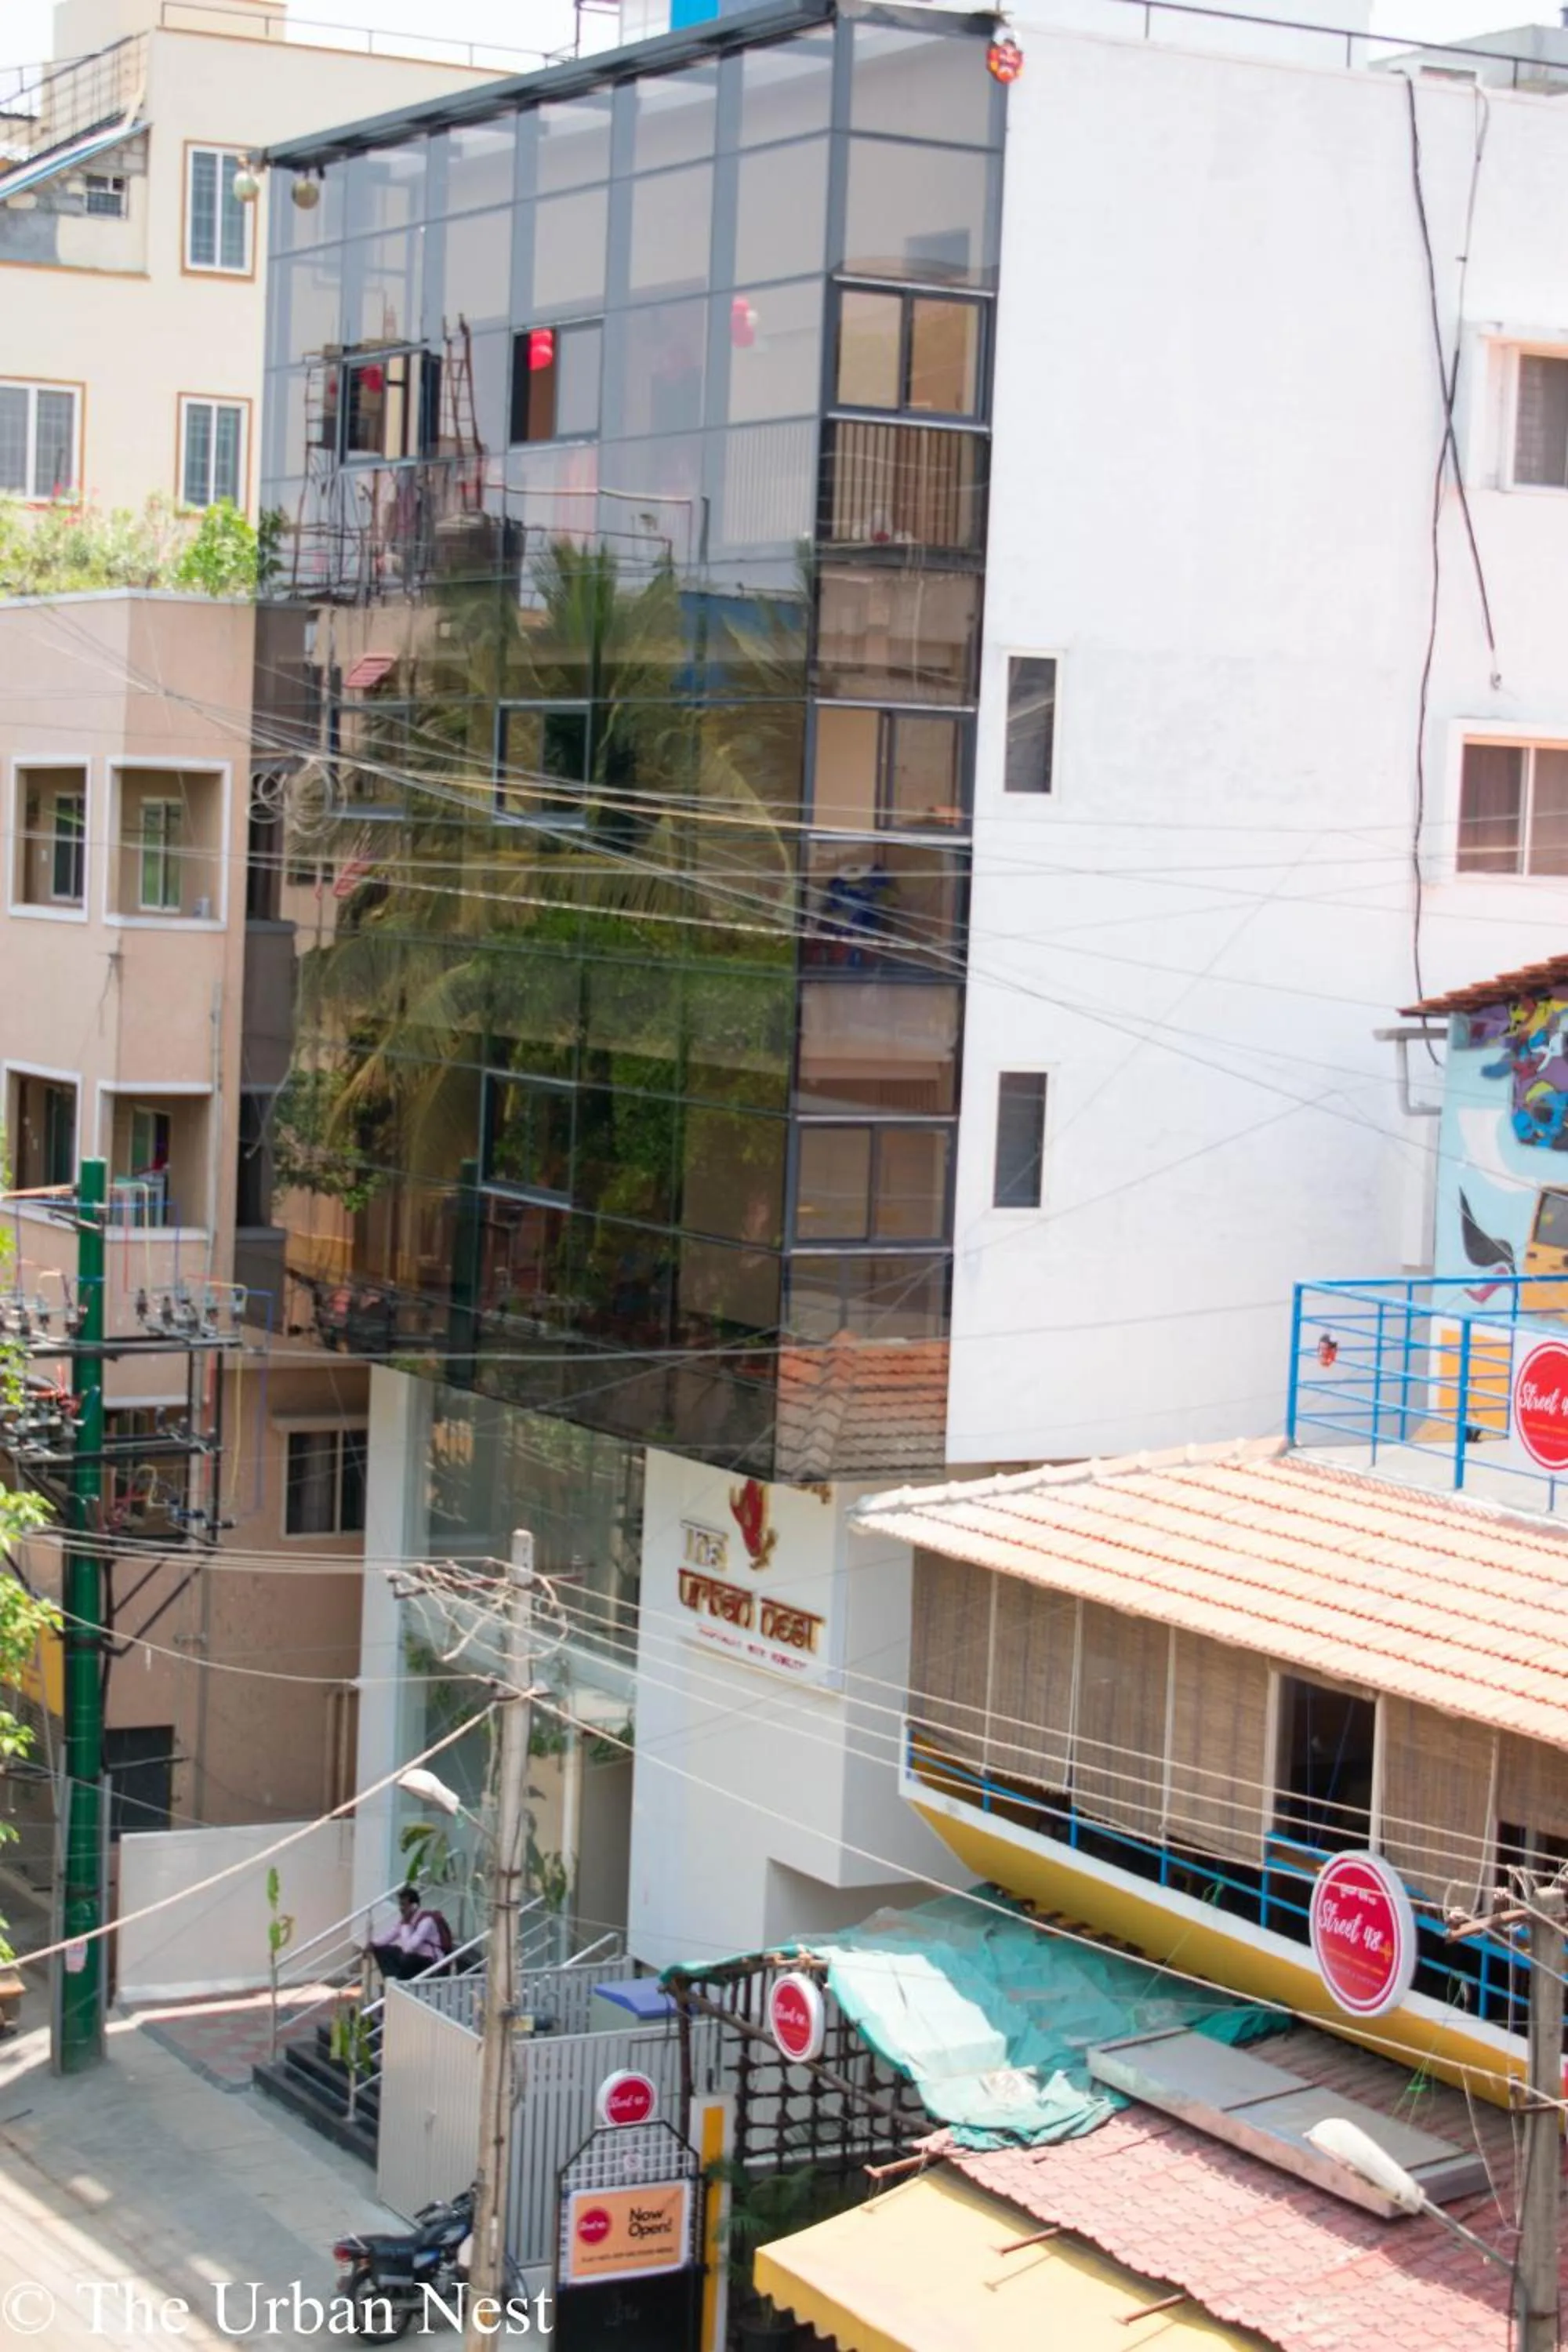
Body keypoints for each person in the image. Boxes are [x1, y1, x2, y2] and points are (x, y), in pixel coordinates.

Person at [368, 1886, 445, 1984]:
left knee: (405, 1958)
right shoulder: (408, 1920)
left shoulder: (426, 1921)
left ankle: (398, 1983)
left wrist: (405, 1923)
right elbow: (391, 1935)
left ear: (414, 1906)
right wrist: (373, 1943)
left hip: (429, 1960)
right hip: (414, 1958)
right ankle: (392, 1982)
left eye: (404, 1905)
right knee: (383, 1949)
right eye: (400, 1905)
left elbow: (409, 1948)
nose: (401, 1908)